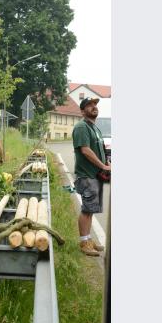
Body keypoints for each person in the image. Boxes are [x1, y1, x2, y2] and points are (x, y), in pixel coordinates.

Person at [72, 97, 111, 257]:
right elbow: (85, 150)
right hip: (86, 175)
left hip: (95, 176)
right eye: (89, 105)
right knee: (87, 210)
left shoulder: (94, 128)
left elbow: (99, 149)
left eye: (95, 104)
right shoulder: (82, 127)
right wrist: (102, 166)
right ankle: (83, 242)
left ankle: (88, 239)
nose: (94, 107)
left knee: (91, 210)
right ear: (82, 111)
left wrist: (106, 162)